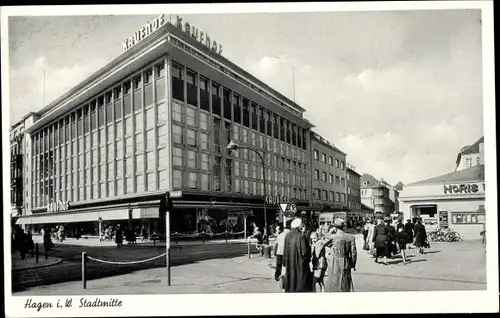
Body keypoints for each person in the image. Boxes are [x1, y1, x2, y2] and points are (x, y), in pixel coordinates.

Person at [324, 218, 357, 292]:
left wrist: (329, 232)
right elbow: (353, 253)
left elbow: (324, 242)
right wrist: (352, 264)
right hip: (345, 261)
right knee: (344, 281)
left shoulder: (332, 237)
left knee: (334, 280)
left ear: (335, 227)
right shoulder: (350, 237)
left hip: (334, 261)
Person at [282, 218, 312, 293]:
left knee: (291, 277)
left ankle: (290, 289)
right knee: (300, 277)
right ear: (298, 226)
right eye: (301, 224)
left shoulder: (287, 235)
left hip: (290, 261)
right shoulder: (301, 236)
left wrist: (285, 262)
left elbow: (285, 250)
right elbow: (304, 252)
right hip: (300, 262)